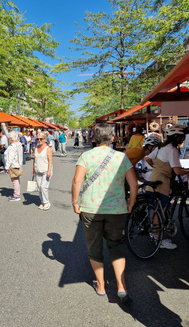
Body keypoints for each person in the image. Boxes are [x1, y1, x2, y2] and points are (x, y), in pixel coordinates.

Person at [71, 123, 138, 303]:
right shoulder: (121, 158)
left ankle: (101, 286)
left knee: (94, 247)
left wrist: (75, 202)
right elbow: (133, 184)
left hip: (90, 208)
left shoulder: (86, 156)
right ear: (113, 138)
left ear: (93, 138)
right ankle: (121, 286)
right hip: (116, 209)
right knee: (116, 246)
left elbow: (77, 181)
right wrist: (130, 203)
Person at [146, 125, 189, 249]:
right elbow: (177, 171)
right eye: (182, 137)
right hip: (163, 183)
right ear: (176, 137)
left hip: (153, 180)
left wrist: (158, 168)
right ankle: (159, 237)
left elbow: (147, 158)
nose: (183, 140)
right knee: (161, 211)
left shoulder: (161, 147)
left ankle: (156, 233)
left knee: (157, 209)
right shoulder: (172, 149)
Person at [32, 132, 53, 210]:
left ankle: (47, 202)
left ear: (45, 139)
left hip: (46, 170)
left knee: (43, 187)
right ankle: (42, 201)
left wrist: (49, 171)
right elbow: (34, 159)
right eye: (38, 139)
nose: (39, 140)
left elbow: (50, 161)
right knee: (39, 187)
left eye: (41, 139)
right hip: (38, 170)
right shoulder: (36, 148)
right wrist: (33, 168)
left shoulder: (48, 149)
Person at [5, 131, 23, 202]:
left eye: (9, 138)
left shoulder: (12, 146)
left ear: (10, 138)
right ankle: (17, 193)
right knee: (17, 179)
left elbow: (10, 158)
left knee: (15, 180)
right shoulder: (19, 144)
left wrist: (7, 167)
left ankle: (16, 195)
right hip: (18, 164)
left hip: (13, 165)